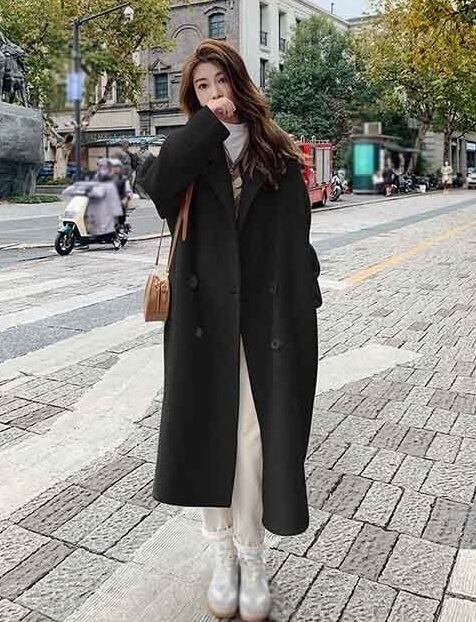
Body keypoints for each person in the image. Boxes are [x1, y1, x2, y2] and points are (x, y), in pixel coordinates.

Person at [143, 39, 320, 622]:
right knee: (211, 433)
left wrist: (304, 299)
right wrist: (205, 129)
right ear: (193, 98)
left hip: (266, 322)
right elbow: (157, 186)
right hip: (205, 323)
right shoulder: (189, 154)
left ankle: (252, 557)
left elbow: (297, 239)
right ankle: (221, 554)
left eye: (222, 82)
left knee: (253, 440)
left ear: (240, 83)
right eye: (202, 87)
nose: (215, 94)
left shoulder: (278, 154)